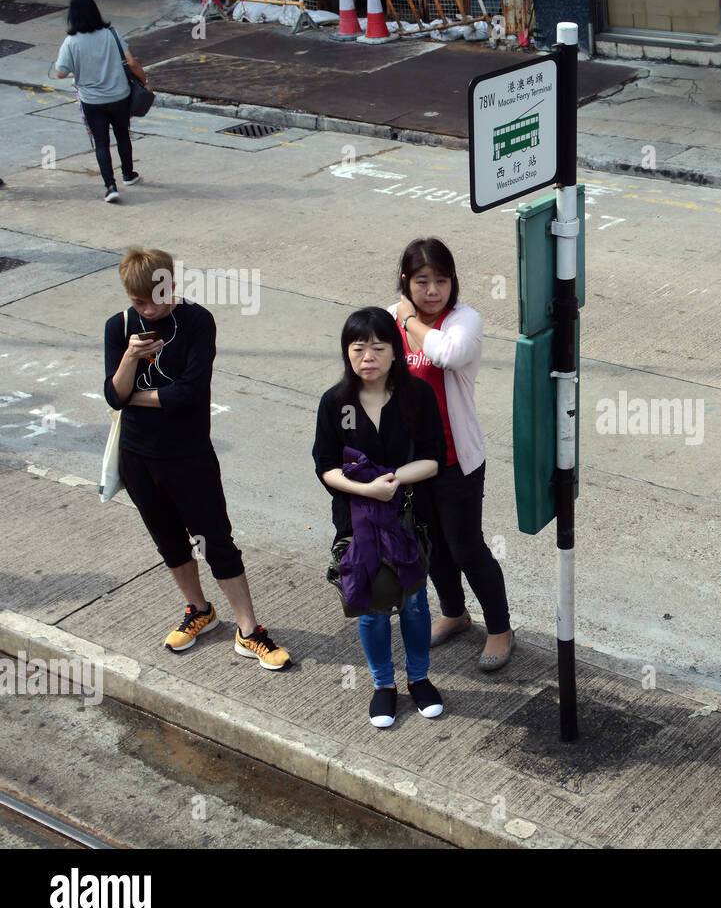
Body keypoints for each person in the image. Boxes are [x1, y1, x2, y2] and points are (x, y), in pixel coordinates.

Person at [104, 247, 290, 670]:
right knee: (168, 540)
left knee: (216, 541)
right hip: (138, 458)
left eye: (158, 298)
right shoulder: (119, 328)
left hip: (188, 457)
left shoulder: (195, 322)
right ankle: (199, 610)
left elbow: (189, 393)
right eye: (139, 302)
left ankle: (249, 630)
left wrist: (134, 396)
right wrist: (131, 357)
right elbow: (113, 395)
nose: (150, 310)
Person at [313, 307, 447, 728]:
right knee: (371, 608)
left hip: (409, 520)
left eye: (378, 346)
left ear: (395, 352)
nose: (367, 356)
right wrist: (367, 489)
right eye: (358, 347)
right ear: (347, 353)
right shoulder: (336, 403)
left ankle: (420, 678)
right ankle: (383, 685)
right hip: (357, 524)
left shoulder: (416, 397)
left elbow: (434, 459)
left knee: (413, 604)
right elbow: (325, 466)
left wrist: (393, 480)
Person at [391, 239, 515, 672]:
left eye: (441, 281)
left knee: (466, 547)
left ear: (453, 283)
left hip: (456, 458)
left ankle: (499, 628)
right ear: (406, 281)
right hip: (413, 461)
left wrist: (409, 319)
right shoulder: (390, 320)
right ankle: (454, 613)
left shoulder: (463, 320)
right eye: (422, 281)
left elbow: (448, 353)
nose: (432, 291)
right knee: (432, 547)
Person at [53, 0, 148, 202]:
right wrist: (145, 81)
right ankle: (128, 174)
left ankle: (110, 186)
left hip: (92, 101)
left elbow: (60, 72)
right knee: (123, 135)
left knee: (102, 143)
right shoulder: (111, 34)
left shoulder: (70, 42)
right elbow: (132, 63)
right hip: (119, 96)